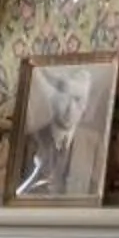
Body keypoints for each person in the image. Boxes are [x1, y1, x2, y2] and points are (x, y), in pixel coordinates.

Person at [20, 68, 102, 198]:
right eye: (65, 98)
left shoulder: (95, 144)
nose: (71, 108)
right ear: (53, 100)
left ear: (85, 105)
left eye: (78, 100)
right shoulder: (28, 142)